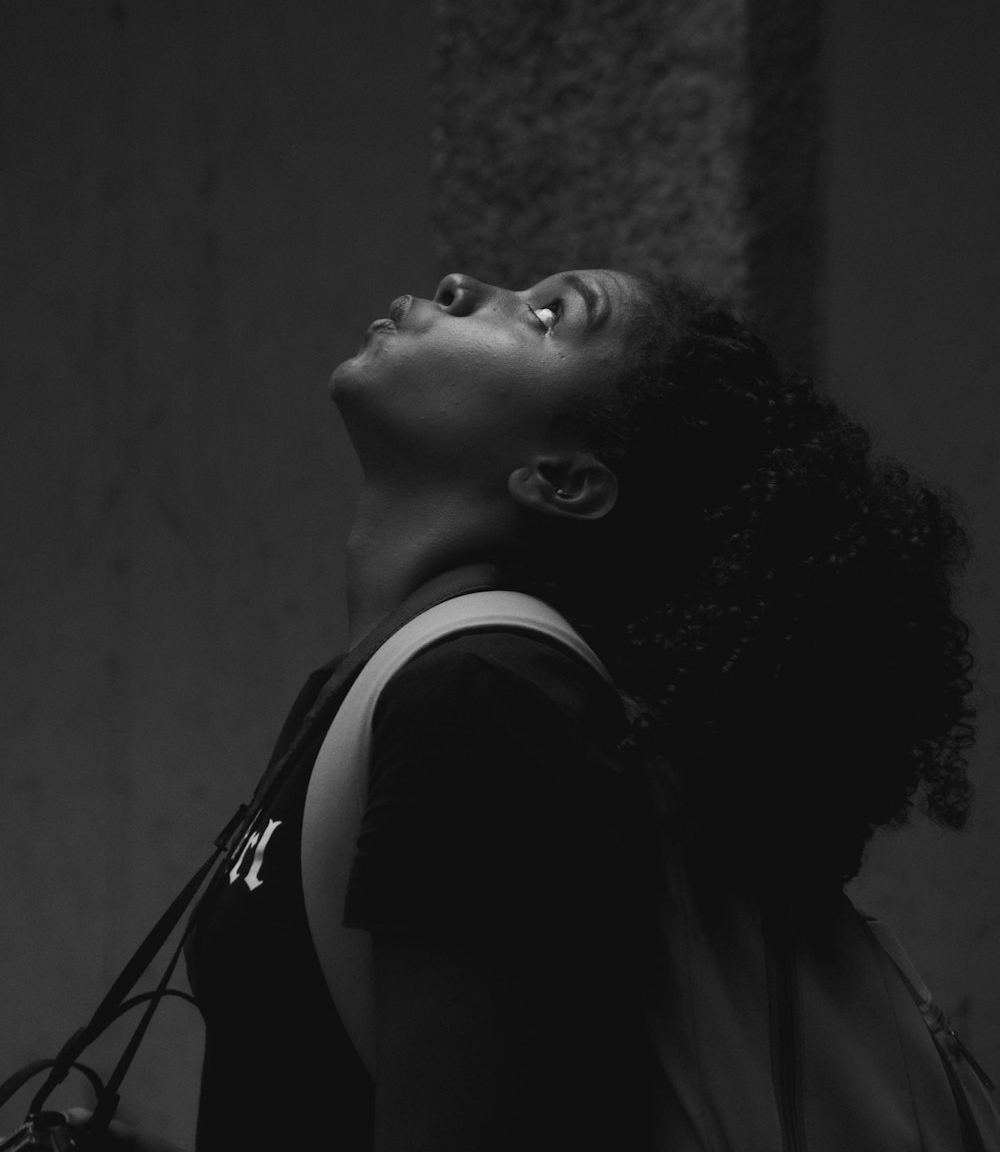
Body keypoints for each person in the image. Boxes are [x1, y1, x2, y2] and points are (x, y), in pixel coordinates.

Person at [69, 266, 977, 1151]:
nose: (464, 285)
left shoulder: (487, 699)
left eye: (550, 317)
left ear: (562, 477)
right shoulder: (389, 685)